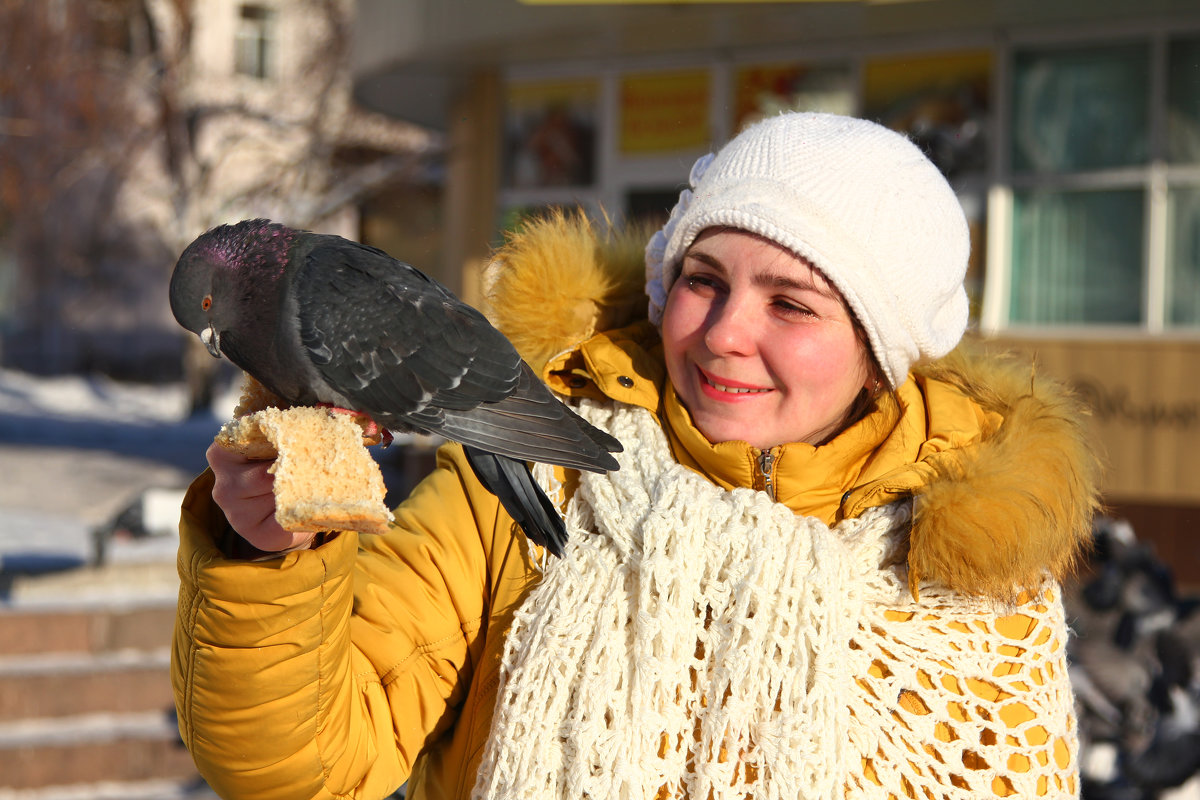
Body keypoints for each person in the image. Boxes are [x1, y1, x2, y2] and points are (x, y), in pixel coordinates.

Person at [172, 112, 1101, 800]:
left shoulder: (976, 585)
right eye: (704, 280)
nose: (726, 334)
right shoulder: (521, 494)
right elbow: (303, 759)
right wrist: (264, 562)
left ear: (881, 351)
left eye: (791, 304)